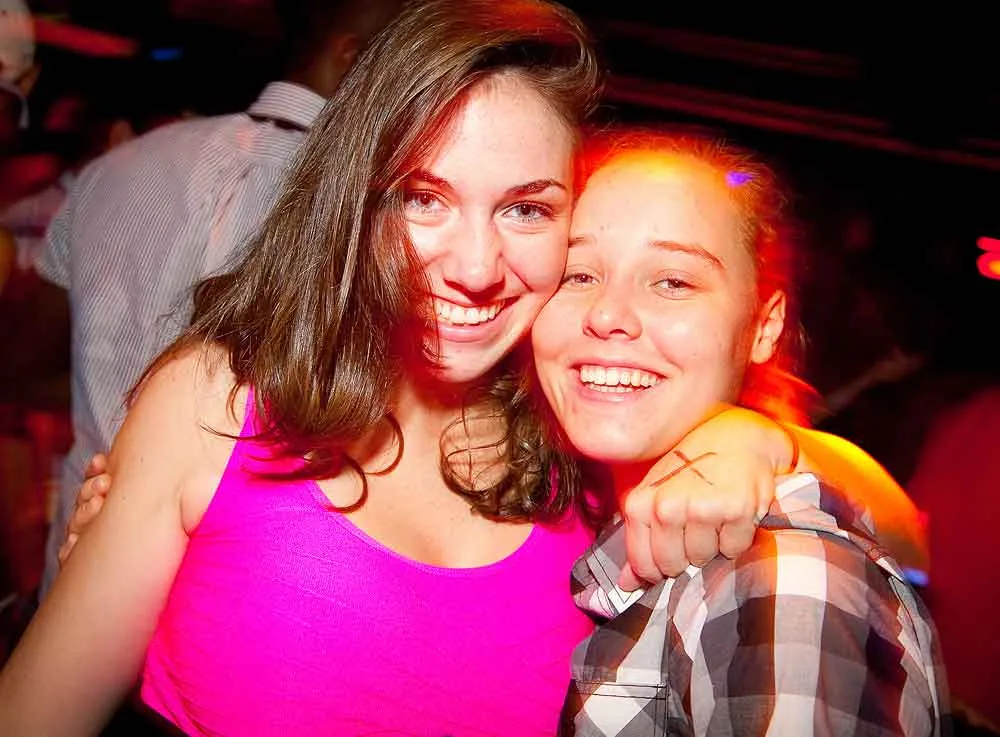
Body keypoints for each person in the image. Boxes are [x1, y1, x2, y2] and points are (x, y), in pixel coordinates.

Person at [3, 1, 927, 734]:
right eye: (424, 196)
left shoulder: (584, 448)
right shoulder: (221, 401)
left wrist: (753, 437)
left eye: (527, 209)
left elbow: (902, 534)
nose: (477, 267)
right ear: (356, 201)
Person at [541, 130, 949, 735]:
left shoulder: (785, 577)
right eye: (576, 274)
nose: (606, 315)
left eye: (673, 282)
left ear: (764, 327)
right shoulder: (566, 497)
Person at [30, 0, 405, 594]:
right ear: (352, 58)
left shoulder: (118, 167)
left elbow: (24, 360)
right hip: (230, 588)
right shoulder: (366, 208)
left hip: (80, 567)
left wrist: (106, 394)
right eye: (402, 68)